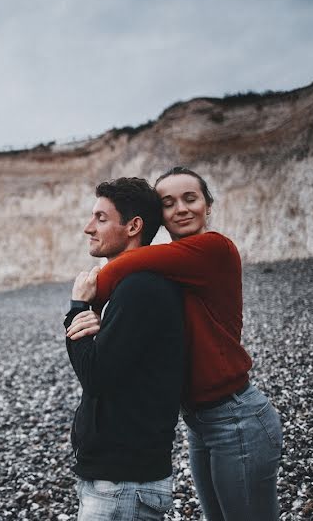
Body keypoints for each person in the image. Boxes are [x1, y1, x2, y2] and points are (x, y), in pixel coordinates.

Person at [79, 166, 283, 521]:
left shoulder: (214, 248)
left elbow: (122, 265)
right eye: (169, 203)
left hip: (236, 414)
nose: (181, 209)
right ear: (160, 214)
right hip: (200, 421)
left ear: (208, 205)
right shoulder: (171, 266)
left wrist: (86, 303)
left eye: (191, 198)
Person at [63, 177, 184, 521]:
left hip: (123, 483)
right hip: (116, 479)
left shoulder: (140, 288)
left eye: (101, 218)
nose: (89, 228)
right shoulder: (128, 287)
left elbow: (96, 375)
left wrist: (76, 309)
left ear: (133, 226)